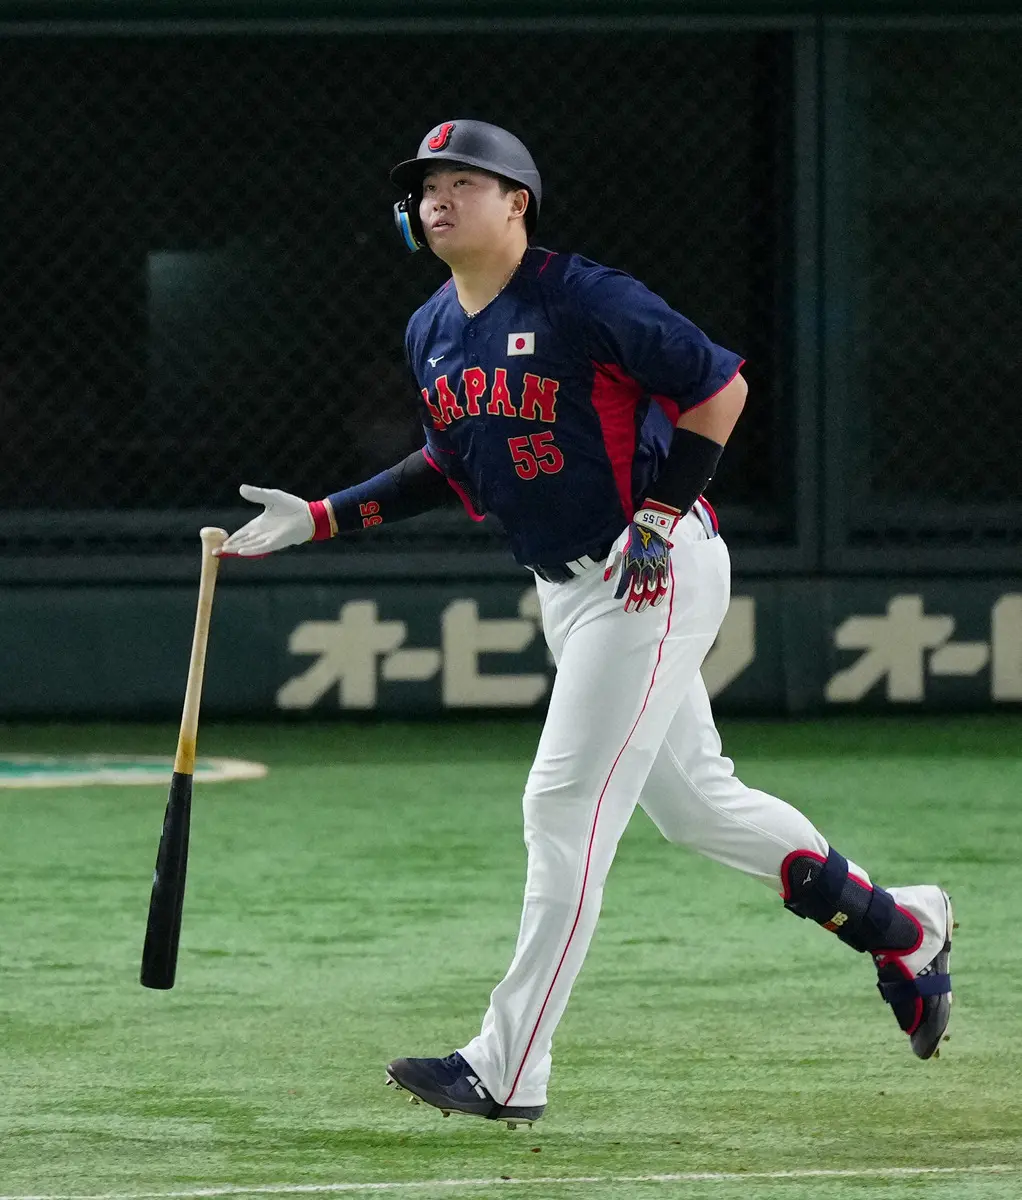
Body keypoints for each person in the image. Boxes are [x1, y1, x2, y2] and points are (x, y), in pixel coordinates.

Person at [218, 120, 953, 1129]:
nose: (436, 198)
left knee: (561, 809)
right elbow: (447, 462)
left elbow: (717, 390)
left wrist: (655, 519)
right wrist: (320, 516)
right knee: (698, 807)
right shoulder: (431, 328)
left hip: (644, 570)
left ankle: (507, 1066)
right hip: (568, 591)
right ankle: (898, 927)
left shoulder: (582, 296)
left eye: (462, 182)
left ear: (516, 201)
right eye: (425, 186)